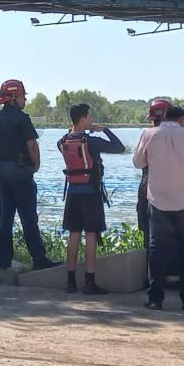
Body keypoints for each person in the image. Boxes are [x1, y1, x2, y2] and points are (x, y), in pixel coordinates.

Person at [132, 101, 184, 311]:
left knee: (156, 249)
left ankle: (155, 298)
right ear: (182, 119)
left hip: (158, 199)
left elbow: (138, 162)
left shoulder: (148, 135)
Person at [0, 79, 57, 271]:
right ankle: (39, 259)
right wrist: (36, 165)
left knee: (6, 216)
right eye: (23, 96)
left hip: (2, 170)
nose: (25, 100)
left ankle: (3, 260)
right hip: (20, 170)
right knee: (28, 216)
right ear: (14, 98)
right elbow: (32, 145)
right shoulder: (22, 119)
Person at [57, 103, 125, 294]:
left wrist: (73, 129)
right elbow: (119, 148)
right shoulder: (92, 142)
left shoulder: (62, 141)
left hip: (72, 193)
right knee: (91, 235)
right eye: (90, 117)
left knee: (74, 235)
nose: (92, 120)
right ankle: (89, 282)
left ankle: (70, 282)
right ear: (83, 118)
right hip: (91, 194)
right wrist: (105, 130)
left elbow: (71, 144)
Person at [136, 96, 172, 268]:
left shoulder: (147, 135)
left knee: (150, 234)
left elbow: (138, 163)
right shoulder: (181, 136)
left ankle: (152, 274)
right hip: (173, 190)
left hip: (148, 188)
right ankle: (172, 272)